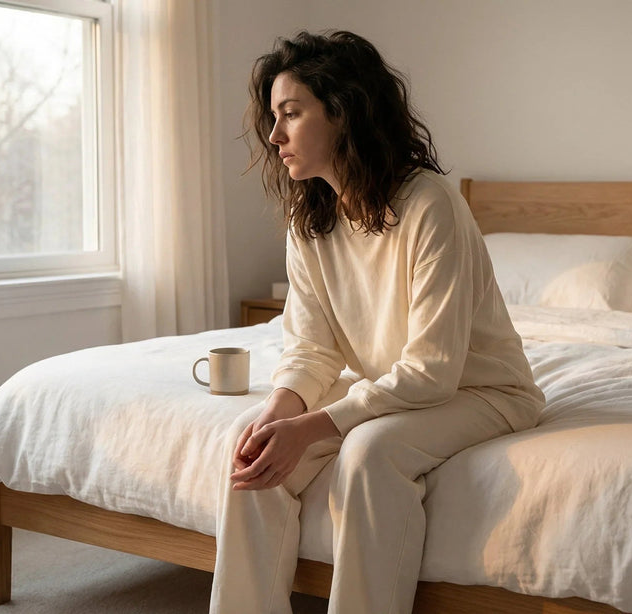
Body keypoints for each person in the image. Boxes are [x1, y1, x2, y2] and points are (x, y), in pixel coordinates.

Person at [209, 30, 545, 614]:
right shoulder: (307, 217)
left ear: (342, 112)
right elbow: (311, 349)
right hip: (396, 386)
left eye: (291, 113)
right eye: (273, 116)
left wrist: (314, 427)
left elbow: (433, 373)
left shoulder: (431, 202)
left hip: (482, 390)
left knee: (370, 451)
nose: (275, 135)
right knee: (252, 440)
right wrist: (277, 415)